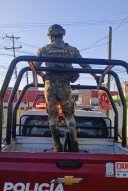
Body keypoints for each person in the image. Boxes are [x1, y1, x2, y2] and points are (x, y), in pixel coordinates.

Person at [35, 24, 97, 152]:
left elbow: (35, 67)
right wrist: (95, 77)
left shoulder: (43, 50)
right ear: (62, 34)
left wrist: (43, 75)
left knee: (52, 116)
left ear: (50, 35)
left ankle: (57, 146)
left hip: (50, 86)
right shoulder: (72, 50)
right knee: (69, 115)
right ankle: (74, 145)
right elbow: (84, 65)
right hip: (65, 86)